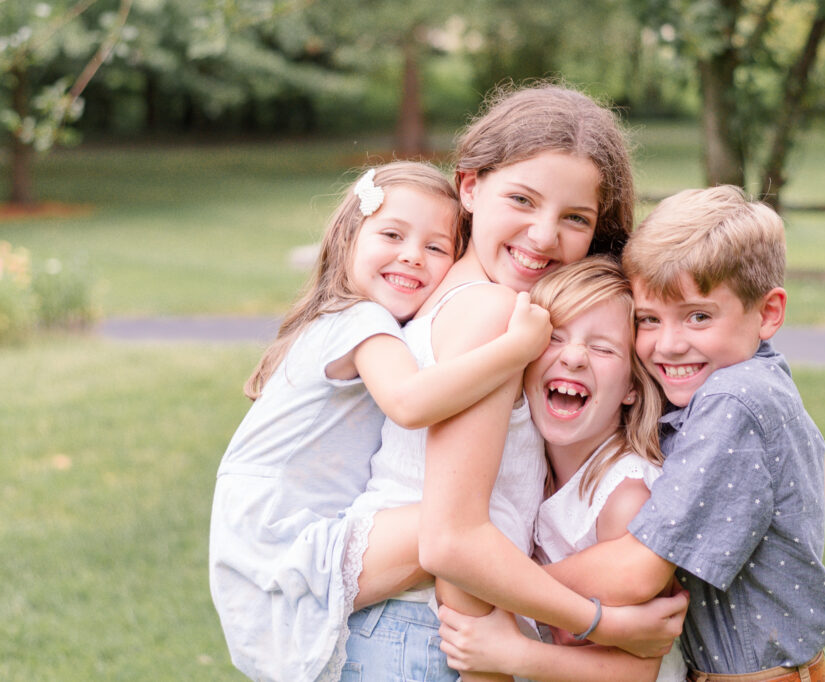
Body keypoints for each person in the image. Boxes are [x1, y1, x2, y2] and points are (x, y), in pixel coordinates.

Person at [339, 83, 688, 682]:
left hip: (408, 629)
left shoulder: (449, 297)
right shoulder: (494, 316)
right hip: (431, 634)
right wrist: (603, 624)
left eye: (575, 218)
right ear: (469, 186)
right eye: (522, 199)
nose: (545, 236)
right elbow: (451, 542)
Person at [209, 161, 553, 682]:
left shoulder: (363, 323)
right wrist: (516, 349)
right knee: (464, 528)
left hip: (266, 536)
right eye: (392, 234)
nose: (412, 255)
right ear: (349, 236)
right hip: (281, 535)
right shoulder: (360, 321)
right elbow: (411, 402)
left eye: (436, 248)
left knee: (467, 529)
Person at [541, 185, 825, 681]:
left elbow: (638, 570)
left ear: (768, 313)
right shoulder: (744, 383)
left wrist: (507, 588)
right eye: (648, 320)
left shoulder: (735, 400)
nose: (669, 344)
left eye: (698, 316)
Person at [437, 256, 688, 682]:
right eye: (554, 338)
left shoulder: (624, 497)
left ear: (631, 386)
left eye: (603, 347)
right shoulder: (527, 469)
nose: (573, 357)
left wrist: (510, 655)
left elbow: (637, 672)